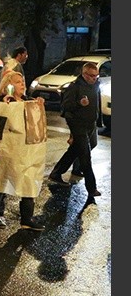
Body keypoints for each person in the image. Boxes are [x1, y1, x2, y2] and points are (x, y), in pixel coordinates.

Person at [0, 71, 46, 231]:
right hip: (6, 150)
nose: (22, 84)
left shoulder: (27, 101)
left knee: (28, 180)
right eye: (18, 82)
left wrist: (38, 105)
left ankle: (27, 218)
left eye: (23, 81)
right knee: (0, 182)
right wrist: (5, 106)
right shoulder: (1, 101)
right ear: (8, 85)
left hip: (26, 152)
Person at [47, 62, 102, 204]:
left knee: (79, 149)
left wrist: (98, 120)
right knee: (85, 155)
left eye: (96, 76)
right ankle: (91, 188)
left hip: (91, 124)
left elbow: (97, 104)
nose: (94, 79)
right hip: (78, 124)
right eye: (91, 76)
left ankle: (56, 173)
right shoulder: (74, 87)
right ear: (84, 74)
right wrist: (79, 103)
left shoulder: (96, 85)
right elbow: (65, 107)